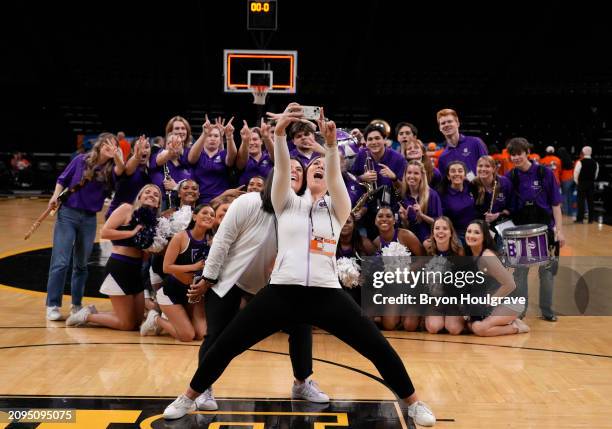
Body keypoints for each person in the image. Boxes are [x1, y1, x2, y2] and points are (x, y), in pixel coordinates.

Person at [162, 104, 436, 426]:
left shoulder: (338, 208)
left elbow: (334, 174)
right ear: (304, 178)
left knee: (377, 347)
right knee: (227, 344)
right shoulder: (286, 204)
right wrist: (279, 134)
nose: (319, 168)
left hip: (326, 294)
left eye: (323, 167)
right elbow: (280, 172)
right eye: (313, 166)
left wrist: (331, 146)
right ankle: (188, 396)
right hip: (281, 292)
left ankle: (414, 403)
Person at [45, 133, 124, 321]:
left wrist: (119, 158)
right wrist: (55, 196)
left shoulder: (112, 169)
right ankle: (52, 305)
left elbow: (121, 172)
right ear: (99, 144)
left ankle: (76, 305)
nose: (109, 146)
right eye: (106, 142)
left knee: (81, 264)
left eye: (113, 144)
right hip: (68, 214)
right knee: (61, 261)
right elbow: (63, 179)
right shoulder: (81, 160)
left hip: (89, 218)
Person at [66, 184, 162, 330]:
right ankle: (86, 315)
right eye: (147, 192)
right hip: (120, 267)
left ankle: (93, 312)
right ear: (140, 196)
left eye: (156, 195)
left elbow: (145, 252)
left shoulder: (152, 221)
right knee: (127, 325)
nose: (151, 195)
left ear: (158, 203)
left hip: (136, 270)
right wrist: (130, 233)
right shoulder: (126, 209)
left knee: (137, 322)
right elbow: (105, 232)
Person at [506, 137, 565, 322]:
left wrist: (560, 231)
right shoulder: (511, 176)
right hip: (520, 231)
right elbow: (506, 204)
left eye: (519, 154)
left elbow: (556, 204)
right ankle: (520, 311)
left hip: (545, 230)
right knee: (520, 273)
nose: (516, 158)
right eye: (512, 155)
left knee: (547, 272)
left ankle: (547, 310)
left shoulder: (544, 173)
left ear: (527, 153)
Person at [140, 204, 214, 341]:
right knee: (187, 336)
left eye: (212, 215)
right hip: (171, 292)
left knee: (200, 335)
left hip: (192, 294)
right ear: (195, 216)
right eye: (205, 212)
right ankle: (155, 319)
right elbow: (166, 268)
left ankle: (174, 321)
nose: (209, 216)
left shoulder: (211, 241)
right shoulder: (181, 237)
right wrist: (194, 266)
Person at [464, 220, 530, 336]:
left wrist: (489, 302)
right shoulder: (470, 253)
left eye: (476, 232)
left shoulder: (487, 256)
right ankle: (508, 321)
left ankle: (516, 327)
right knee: (469, 325)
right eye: (469, 231)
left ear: (484, 237)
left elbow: (510, 284)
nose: (471, 235)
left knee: (478, 328)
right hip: (494, 300)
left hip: (510, 300)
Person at [373, 205, 424, 331]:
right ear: (375, 221)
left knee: (409, 326)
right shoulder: (376, 243)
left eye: (388, 216)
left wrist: (406, 270)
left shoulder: (405, 235)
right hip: (393, 290)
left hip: (412, 287)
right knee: (389, 325)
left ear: (394, 220)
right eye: (380, 216)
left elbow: (424, 259)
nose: (384, 219)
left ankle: (416, 312)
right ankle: (389, 315)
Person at [423, 217, 465, 335]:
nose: (440, 231)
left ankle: (460, 320)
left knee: (454, 329)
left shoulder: (459, 252)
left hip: (453, 301)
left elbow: (464, 282)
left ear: (451, 233)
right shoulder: (427, 249)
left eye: (445, 228)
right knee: (434, 328)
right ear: (433, 233)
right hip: (435, 300)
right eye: (437, 228)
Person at [188, 115, 237, 204]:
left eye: (216, 136)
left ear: (220, 139)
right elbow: (191, 159)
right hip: (199, 201)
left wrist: (229, 136)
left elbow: (231, 158)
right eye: (209, 135)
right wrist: (204, 133)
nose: (212, 138)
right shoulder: (199, 153)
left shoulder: (223, 154)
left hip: (221, 200)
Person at [106, 136, 152, 218]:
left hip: (137, 218)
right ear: (132, 150)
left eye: (146, 147)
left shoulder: (150, 169)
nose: (143, 150)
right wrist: (137, 156)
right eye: (139, 147)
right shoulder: (128, 167)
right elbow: (128, 169)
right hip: (117, 217)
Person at [397, 160, 442, 243]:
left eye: (416, 173)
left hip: (428, 239)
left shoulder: (432, 195)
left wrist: (422, 215)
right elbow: (403, 228)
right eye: (409, 172)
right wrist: (404, 219)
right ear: (405, 174)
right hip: (409, 240)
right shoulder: (401, 195)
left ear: (422, 176)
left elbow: (439, 224)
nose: (412, 176)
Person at [436, 108, 488, 180]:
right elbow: (445, 183)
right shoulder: (443, 157)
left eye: (449, 121)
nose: (446, 125)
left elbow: (488, 168)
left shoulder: (475, 142)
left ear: (457, 123)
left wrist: (474, 180)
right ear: (440, 128)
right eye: (443, 123)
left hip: (479, 189)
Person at [336, 213, 376, 304]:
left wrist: (365, 276)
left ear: (354, 225)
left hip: (359, 291)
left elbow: (379, 264)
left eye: (348, 222)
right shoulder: (331, 243)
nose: (345, 224)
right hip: (337, 289)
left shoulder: (364, 243)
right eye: (341, 221)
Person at [438, 160, 477, 243]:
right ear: (448, 176)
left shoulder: (471, 186)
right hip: (457, 234)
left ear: (465, 175)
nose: (457, 174)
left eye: (460, 171)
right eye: (453, 171)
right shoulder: (442, 194)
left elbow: (478, 178)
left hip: (475, 229)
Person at [236, 119, 274, 186]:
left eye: (255, 139)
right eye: (249, 140)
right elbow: (240, 163)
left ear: (261, 141)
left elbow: (277, 158)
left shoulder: (269, 156)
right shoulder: (243, 157)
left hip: (266, 194)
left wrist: (266, 137)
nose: (251, 143)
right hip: (246, 194)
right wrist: (245, 140)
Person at [574, 146, 599, 224]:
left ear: (583, 152)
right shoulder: (596, 163)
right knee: (590, 201)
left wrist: (577, 182)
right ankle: (591, 219)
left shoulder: (580, 162)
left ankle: (580, 219)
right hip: (591, 183)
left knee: (580, 201)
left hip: (582, 183)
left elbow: (576, 174)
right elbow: (596, 175)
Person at [557, 147, 576, 216]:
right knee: (570, 196)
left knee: (564, 196)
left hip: (565, 179)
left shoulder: (561, 160)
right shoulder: (569, 159)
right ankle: (570, 213)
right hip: (572, 179)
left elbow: (560, 170)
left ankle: (565, 212)